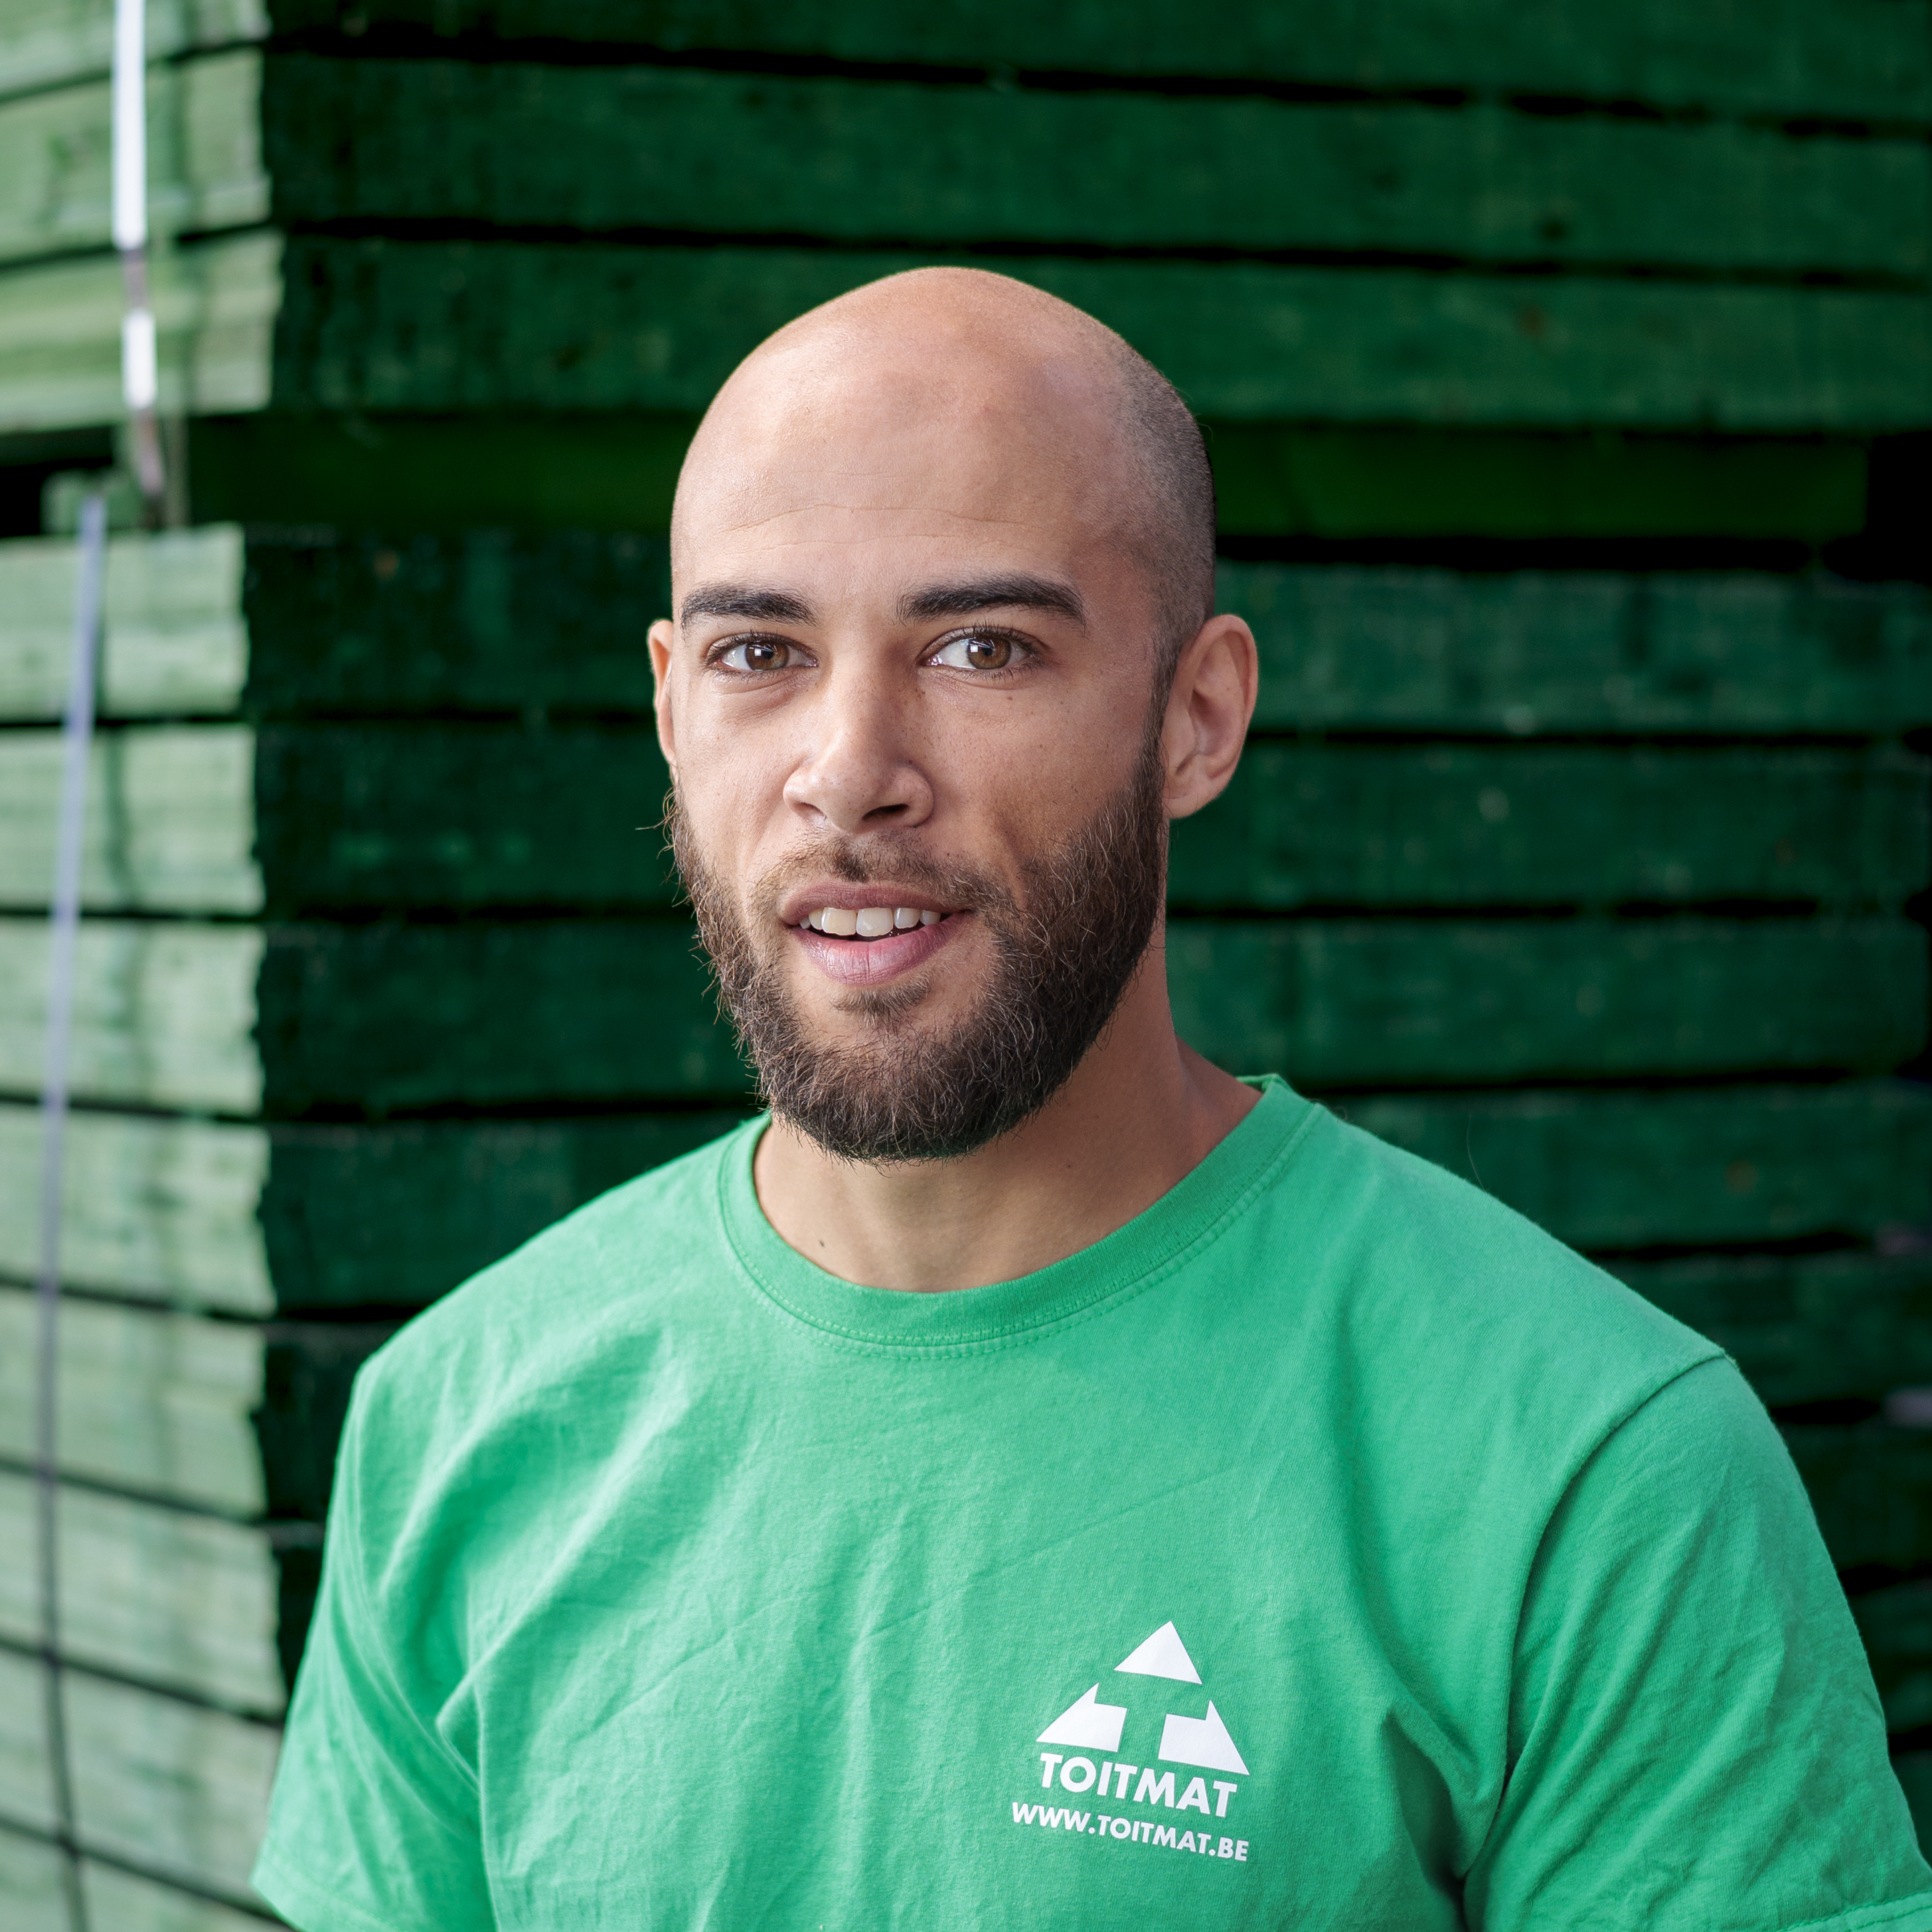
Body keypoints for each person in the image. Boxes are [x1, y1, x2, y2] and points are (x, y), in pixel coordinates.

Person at [252, 268, 1929, 1929]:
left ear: (1198, 718)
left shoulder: (1590, 1467)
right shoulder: (461, 1423)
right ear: (671, 712)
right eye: (759, 651)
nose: (850, 771)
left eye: (980, 647)